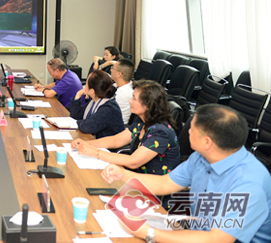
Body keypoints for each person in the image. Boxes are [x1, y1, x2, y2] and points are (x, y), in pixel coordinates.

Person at [101, 104, 271, 243]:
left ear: (207, 142)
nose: (188, 131)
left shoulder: (248, 183)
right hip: (196, 232)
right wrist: (122, 174)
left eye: (192, 129)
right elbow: (165, 183)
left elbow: (217, 239)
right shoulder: (202, 156)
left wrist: (148, 232)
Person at [72, 80, 179, 176]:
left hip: (153, 186)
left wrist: (96, 153)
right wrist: (86, 144)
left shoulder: (160, 132)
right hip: (136, 176)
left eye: (134, 98)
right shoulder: (141, 121)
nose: (130, 101)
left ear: (148, 105)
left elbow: (133, 162)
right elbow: (116, 140)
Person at [69, 70, 125, 139]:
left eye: (86, 83)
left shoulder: (109, 108)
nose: (84, 86)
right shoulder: (94, 101)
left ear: (92, 91)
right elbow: (75, 117)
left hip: (106, 145)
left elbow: (88, 127)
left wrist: (79, 122)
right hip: (95, 141)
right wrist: (78, 95)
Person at [111, 58, 134, 124]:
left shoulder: (124, 94)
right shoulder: (116, 85)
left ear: (119, 74)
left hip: (115, 126)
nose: (111, 70)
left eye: (113, 68)